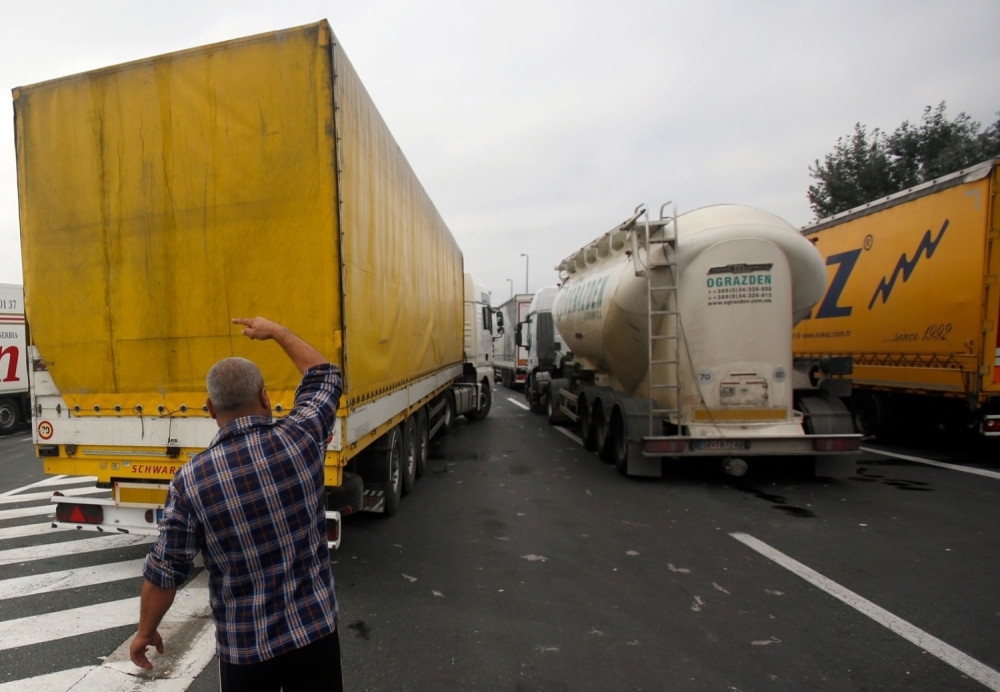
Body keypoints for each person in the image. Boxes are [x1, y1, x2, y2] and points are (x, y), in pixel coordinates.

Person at [130, 317, 344, 691]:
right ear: (264, 397)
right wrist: (277, 332)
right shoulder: (301, 437)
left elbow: (165, 570)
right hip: (314, 635)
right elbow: (324, 375)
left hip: (245, 650)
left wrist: (145, 632)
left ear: (210, 409)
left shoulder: (192, 480)